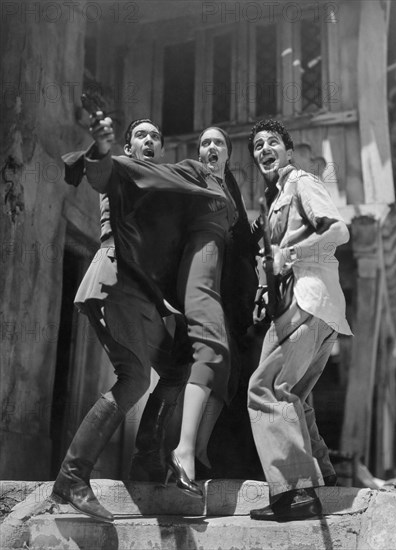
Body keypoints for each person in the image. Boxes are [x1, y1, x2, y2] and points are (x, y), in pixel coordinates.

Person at [53, 116, 230, 520]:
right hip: (116, 281)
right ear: (129, 147)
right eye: (141, 135)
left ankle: (147, 458)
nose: (148, 140)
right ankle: (71, 479)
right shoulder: (123, 170)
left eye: (155, 136)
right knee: (133, 379)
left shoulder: (159, 179)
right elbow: (99, 172)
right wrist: (100, 146)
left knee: (175, 369)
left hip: (143, 294)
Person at [246, 119, 352, 522]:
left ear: (288, 152)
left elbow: (339, 230)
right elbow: (271, 258)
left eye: (273, 142)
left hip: (305, 300)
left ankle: (295, 494)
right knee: (296, 398)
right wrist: (262, 289)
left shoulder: (301, 182)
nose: (264, 149)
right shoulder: (274, 198)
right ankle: (323, 478)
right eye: (258, 145)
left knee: (267, 389)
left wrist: (292, 252)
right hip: (316, 308)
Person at [169, 127, 258, 481]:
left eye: (218, 142)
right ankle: (177, 451)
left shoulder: (229, 188)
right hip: (201, 276)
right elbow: (159, 182)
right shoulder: (192, 172)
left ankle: (199, 449)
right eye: (205, 142)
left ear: (228, 152)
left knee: (228, 372)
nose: (210, 147)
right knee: (202, 359)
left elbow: (242, 243)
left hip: (229, 293)